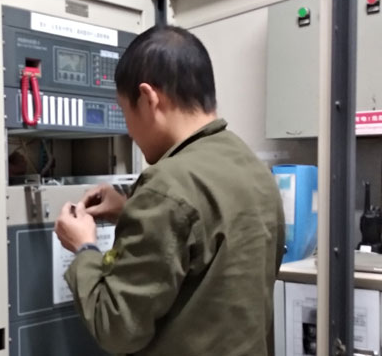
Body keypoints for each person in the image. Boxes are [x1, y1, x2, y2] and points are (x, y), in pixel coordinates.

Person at [54, 25, 285, 356]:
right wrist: (131, 207)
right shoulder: (252, 168)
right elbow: (205, 245)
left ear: (148, 98)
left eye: (125, 112)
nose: (129, 131)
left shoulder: (166, 186)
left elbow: (117, 327)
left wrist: (84, 248)